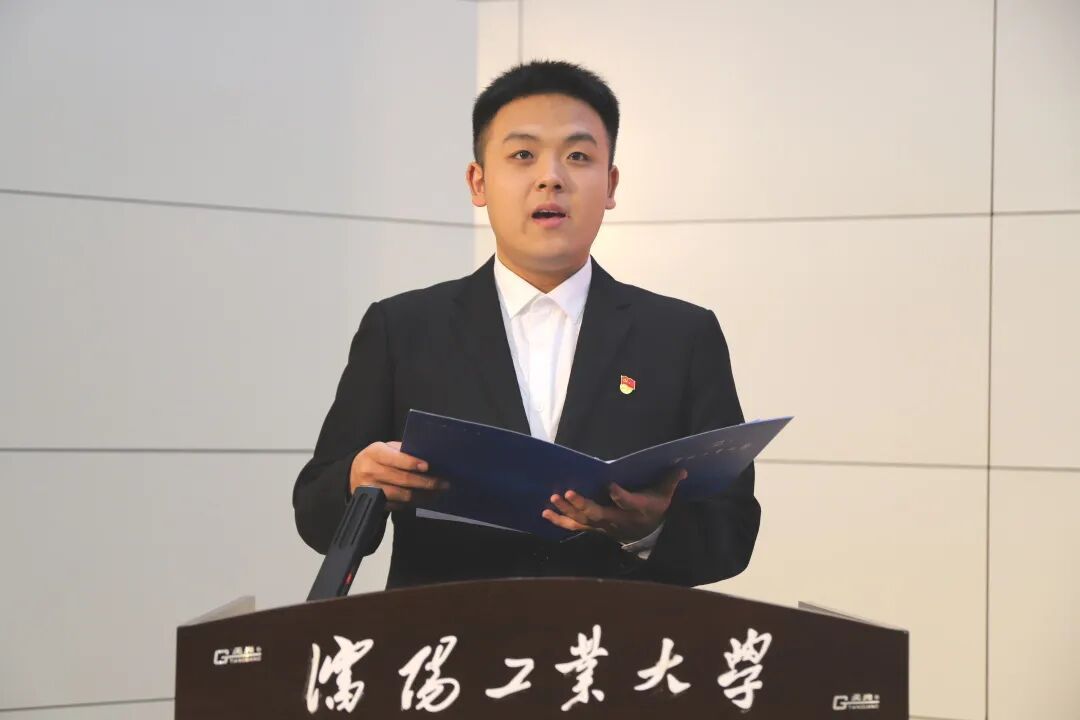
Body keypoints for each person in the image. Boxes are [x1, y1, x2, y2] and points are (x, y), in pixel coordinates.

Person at [293, 60, 759, 589]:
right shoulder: (402, 329)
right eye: (522, 155)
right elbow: (315, 515)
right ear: (479, 182)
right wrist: (358, 480)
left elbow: (732, 534)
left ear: (610, 184)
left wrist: (647, 530)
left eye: (578, 156)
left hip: (616, 637)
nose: (550, 177)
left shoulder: (681, 336)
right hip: (445, 635)